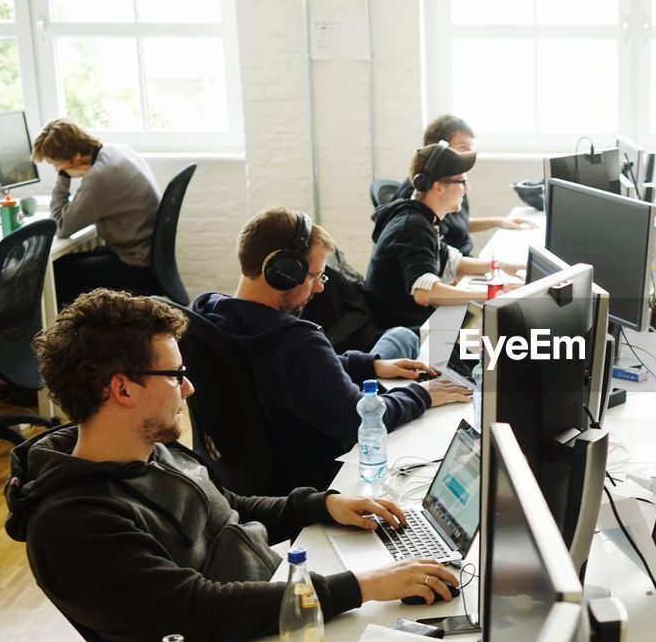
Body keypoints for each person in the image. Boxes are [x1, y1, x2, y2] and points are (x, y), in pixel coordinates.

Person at [5, 289, 460, 642]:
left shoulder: (143, 450)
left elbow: (227, 506)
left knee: (444, 634)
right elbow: (203, 612)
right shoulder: (73, 524)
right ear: (122, 389)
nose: (188, 388)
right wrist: (363, 586)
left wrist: (325, 505)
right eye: (174, 375)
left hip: (275, 610)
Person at [193, 208, 470, 493]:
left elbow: (290, 370)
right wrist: (423, 394)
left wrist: (369, 365)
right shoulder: (296, 343)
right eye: (316, 276)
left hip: (235, 475)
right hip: (315, 480)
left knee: (399, 337)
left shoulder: (209, 315)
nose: (319, 288)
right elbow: (360, 420)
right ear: (284, 273)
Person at [368, 142, 525, 333]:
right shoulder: (413, 227)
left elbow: (452, 262)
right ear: (438, 187)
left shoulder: (425, 219)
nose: (467, 188)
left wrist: (501, 266)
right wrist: (492, 295)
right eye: (461, 181)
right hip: (405, 333)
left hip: (416, 322)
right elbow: (425, 292)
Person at [30, 118, 161, 304]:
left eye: (56, 164)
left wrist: (63, 177)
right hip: (143, 256)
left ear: (75, 157)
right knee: (60, 266)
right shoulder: (116, 151)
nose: (56, 169)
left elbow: (61, 226)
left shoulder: (99, 178)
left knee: (50, 275)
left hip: (133, 265)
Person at [393, 115, 534, 256]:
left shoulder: (455, 182)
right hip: (449, 268)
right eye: (463, 147)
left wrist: (499, 221)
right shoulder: (420, 195)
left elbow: (458, 224)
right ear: (438, 150)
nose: (470, 153)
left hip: (457, 261)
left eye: (471, 147)